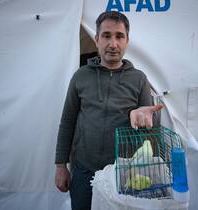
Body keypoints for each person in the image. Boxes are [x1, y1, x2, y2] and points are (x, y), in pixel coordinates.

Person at [54, 11, 163, 210]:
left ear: (127, 41)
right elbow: (67, 120)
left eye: (119, 36)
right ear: (96, 40)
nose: (113, 43)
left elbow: (150, 131)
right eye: (106, 36)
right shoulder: (80, 76)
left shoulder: (139, 79)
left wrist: (148, 118)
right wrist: (61, 166)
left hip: (123, 174)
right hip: (83, 172)